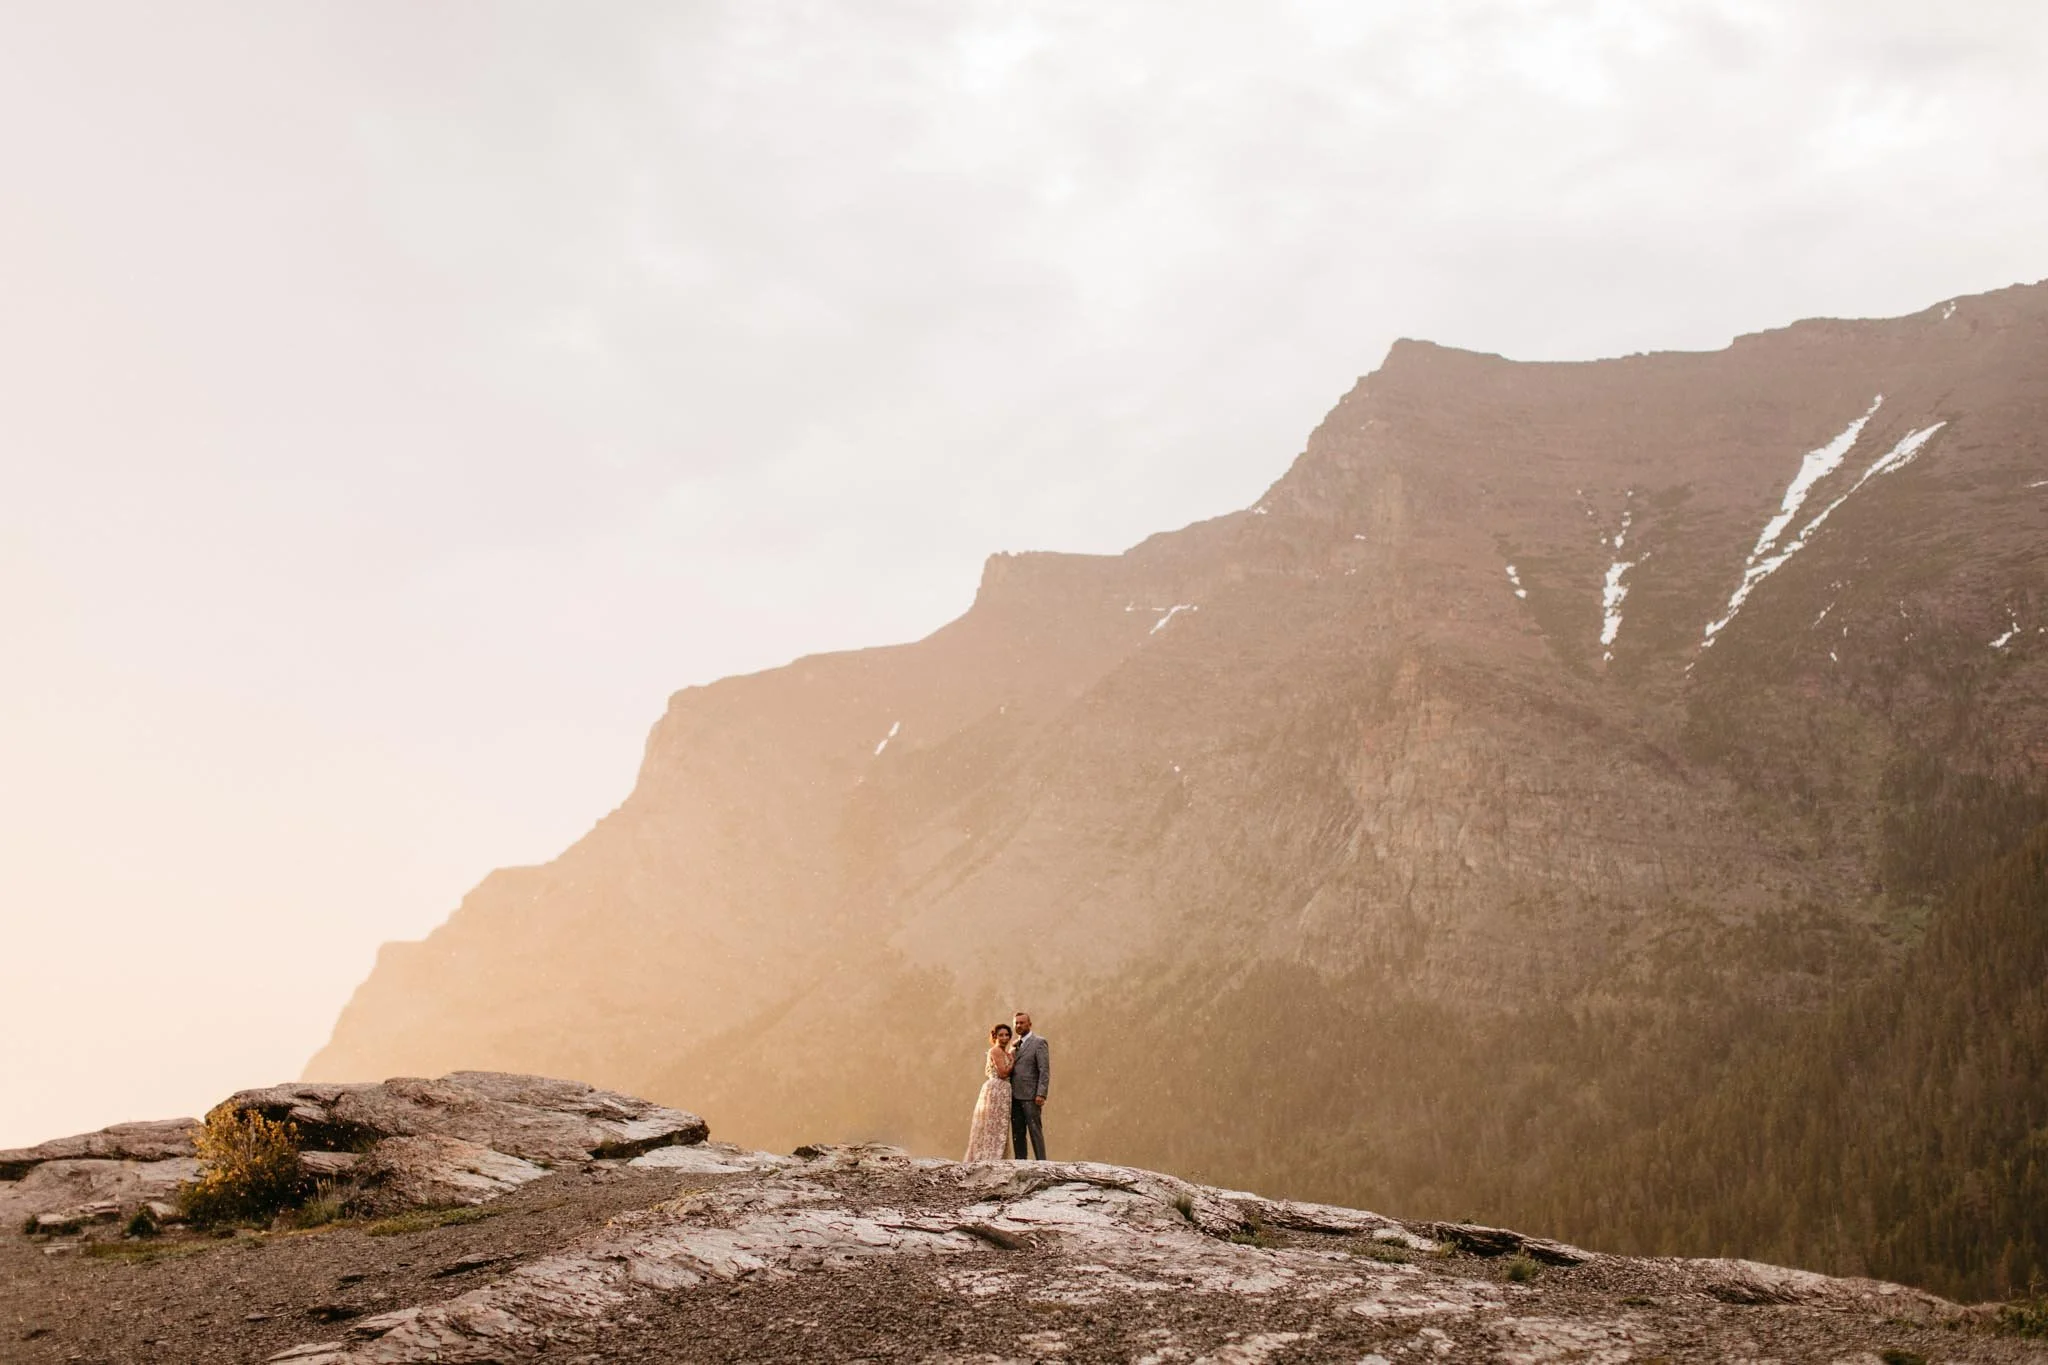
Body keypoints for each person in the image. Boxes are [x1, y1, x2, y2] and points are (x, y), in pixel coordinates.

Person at [963, 1023, 1015, 1161]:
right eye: (1001, 1035)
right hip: (996, 1089)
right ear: (995, 1037)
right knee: (992, 1124)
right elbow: (1003, 1072)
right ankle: (990, 1155)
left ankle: (994, 1155)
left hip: (1003, 1090)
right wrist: (1013, 1060)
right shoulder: (996, 1051)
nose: (1004, 1038)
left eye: (1007, 1035)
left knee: (999, 1125)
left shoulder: (1005, 1052)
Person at [1008, 1011, 1049, 1160]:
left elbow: (1044, 1070)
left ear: (1029, 1024)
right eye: (1016, 1023)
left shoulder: (1039, 1042)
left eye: (1022, 1022)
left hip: (1031, 1096)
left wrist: (1041, 1093)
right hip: (1014, 1096)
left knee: (1035, 1131)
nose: (1018, 1025)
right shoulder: (1013, 1045)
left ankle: (1042, 1162)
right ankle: (1021, 1162)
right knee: (1017, 1132)